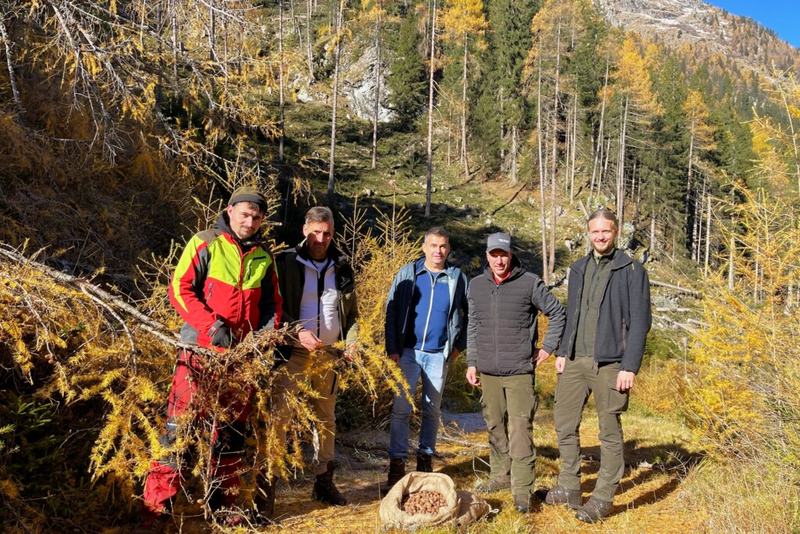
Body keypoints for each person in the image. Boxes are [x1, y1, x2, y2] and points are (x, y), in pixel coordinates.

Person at [139, 186, 282, 529]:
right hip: (199, 354)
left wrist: (261, 340)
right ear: (230, 210)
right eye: (245, 213)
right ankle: (157, 509)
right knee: (180, 426)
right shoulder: (205, 242)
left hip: (240, 361)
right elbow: (180, 288)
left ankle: (222, 505)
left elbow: (272, 306)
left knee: (232, 432)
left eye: (257, 216)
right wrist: (210, 326)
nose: (250, 221)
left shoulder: (264, 255)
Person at [542, 208, 651, 523]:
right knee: (563, 423)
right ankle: (570, 486)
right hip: (575, 359)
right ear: (588, 234)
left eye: (606, 231)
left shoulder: (631, 270)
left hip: (611, 363)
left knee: (609, 432)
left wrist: (629, 366)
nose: (600, 236)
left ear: (615, 232)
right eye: (594, 231)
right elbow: (572, 313)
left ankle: (603, 498)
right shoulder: (577, 269)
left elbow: (640, 322)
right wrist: (563, 350)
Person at [466, 232, 566, 513]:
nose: (499, 260)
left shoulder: (529, 283)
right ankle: (500, 476)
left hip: (520, 371)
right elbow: (473, 325)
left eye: (504, 254)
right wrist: (472, 362)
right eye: (494, 254)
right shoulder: (476, 286)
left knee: (520, 430)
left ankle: (522, 490)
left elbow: (558, 313)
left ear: (511, 255)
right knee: (495, 426)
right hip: (487, 371)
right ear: (487, 256)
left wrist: (547, 348)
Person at [270, 206, 358, 507]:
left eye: (327, 233)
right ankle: (268, 485)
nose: (321, 239)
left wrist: (352, 342)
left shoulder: (342, 267)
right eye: (315, 233)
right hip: (293, 352)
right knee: (280, 416)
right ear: (305, 231)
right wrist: (296, 332)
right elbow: (274, 310)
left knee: (325, 419)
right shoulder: (286, 262)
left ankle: (323, 482)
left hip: (329, 355)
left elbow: (352, 315)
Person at [383, 227, 469, 492]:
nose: (438, 251)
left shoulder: (456, 277)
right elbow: (391, 310)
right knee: (402, 409)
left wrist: (458, 347)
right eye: (433, 245)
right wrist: (392, 347)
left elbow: (470, 315)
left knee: (432, 410)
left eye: (443, 246)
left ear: (448, 249)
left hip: (437, 355)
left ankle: (424, 463)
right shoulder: (409, 273)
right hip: (407, 352)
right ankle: (397, 465)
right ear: (423, 247)